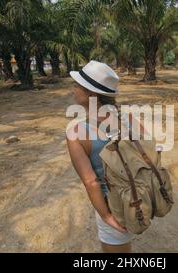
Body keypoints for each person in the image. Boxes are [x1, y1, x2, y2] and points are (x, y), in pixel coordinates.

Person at [66, 60, 133, 253]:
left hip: (113, 204)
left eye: (77, 85)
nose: (73, 88)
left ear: (92, 94)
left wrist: (106, 216)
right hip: (139, 195)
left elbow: (91, 182)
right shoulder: (128, 118)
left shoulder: (77, 133)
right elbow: (151, 151)